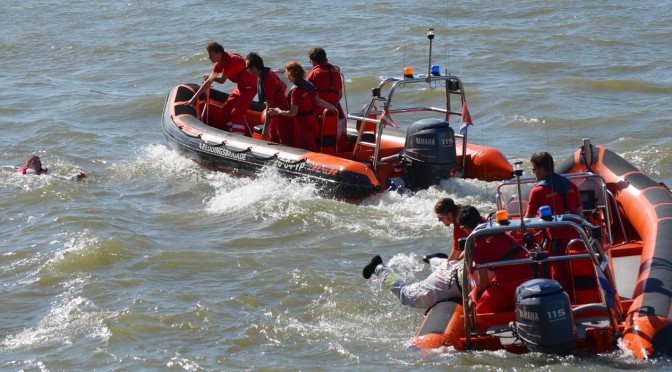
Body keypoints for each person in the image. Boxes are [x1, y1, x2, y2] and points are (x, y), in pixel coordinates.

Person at [524, 151, 582, 293]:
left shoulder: (538, 191)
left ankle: (563, 299)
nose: (534, 174)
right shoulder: (571, 185)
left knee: (558, 273)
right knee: (574, 271)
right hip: (576, 237)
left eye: (534, 170)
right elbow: (579, 213)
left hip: (556, 241)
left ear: (542, 169)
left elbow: (528, 220)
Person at [457, 205, 532, 313]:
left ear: (466, 227)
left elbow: (484, 282)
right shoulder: (496, 228)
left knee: (479, 312)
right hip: (530, 274)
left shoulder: (476, 246)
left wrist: (473, 291)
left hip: (508, 284)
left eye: (462, 228)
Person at [186, 42, 257, 135]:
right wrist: (192, 99)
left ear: (219, 54)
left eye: (211, 55)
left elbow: (222, 81)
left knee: (236, 113)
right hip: (240, 87)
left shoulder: (230, 61)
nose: (209, 58)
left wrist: (212, 78)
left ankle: (238, 136)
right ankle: (234, 132)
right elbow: (209, 82)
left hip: (250, 88)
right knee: (226, 109)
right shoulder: (219, 64)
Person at [268, 61, 335, 152]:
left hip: (303, 126)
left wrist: (278, 111)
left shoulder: (296, 91)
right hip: (313, 122)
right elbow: (319, 102)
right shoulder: (309, 85)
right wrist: (331, 106)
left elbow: (292, 113)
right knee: (313, 147)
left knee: (308, 150)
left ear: (291, 75)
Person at [245, 52, 294, 146]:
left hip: (279, 117)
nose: (246, 70)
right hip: (278, 114)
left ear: (254, 68)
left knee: (285, 144)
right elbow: (283, 86)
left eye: (247, 68)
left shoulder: (266, 80)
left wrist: (265, 128)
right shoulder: (269, 72)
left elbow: (270, 106)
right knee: (274, 142)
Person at [306, 47, 346, 139]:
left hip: (319, 113)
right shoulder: (336, 72)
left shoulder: (313, 74)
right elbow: (339, 95)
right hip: (335, 111)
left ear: (313, 60)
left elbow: (308, 97)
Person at [15, 154, 86, 180]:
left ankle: (76, 176)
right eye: (34, 162)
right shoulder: (27, 172)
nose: (37, 164)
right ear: (28, 166)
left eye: (38, 162)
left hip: (46, 178)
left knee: (64, 179)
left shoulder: (44, 171)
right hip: (37, 179)